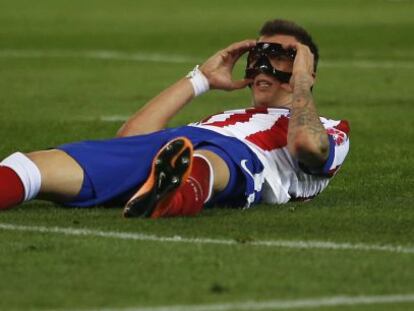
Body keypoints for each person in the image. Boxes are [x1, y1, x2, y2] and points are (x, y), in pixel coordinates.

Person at [0, 19, 350, 218]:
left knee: (207, 159)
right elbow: (131, 141)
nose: (262, 64)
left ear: (307, 69)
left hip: (239, 159)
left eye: (280, 56)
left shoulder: (331, 128)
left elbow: (305, 144)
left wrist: (302, 80)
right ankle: (164, 185)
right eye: (258, 54)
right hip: (177, 146)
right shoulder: (227, 116)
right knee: (33, 165)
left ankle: (174, 194)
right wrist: (201, 80)